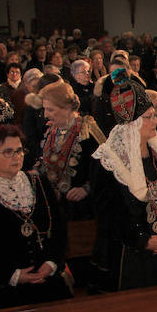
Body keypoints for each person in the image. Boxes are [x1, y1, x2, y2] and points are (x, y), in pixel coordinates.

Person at [90, 76, 157, 292]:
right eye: (148, 117)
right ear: (130, 124)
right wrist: (142, 240)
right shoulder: (108, 161)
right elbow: (107, 214)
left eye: (155, 115)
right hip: (132, 255)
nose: (155, 121)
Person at [0, 124, 72, 310]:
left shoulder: (39, 182)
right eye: (8, 152)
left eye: (19, 151)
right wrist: (13, 275)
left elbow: (59, 228)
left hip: (49, 282)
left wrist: (51, 263)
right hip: (7, 289)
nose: (17, 157)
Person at [37, 81, 105, 221]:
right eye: (45, 109)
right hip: (56, 208)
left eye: (50, 110)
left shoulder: (88, 131)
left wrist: (86, 189)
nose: (45, 115)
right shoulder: (50, 130)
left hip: (84, 212)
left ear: (67, 108)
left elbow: (106, 168)